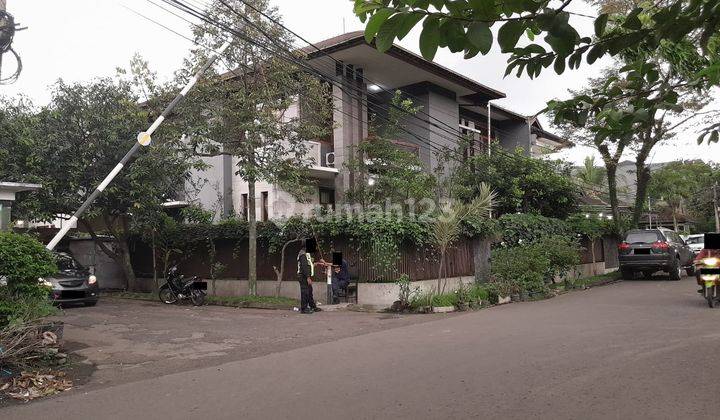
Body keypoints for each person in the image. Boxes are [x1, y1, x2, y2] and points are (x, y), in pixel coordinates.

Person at [297, 243, 322, 314]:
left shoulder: (307, 254)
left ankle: (312, 306)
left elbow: (309, 265)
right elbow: (304, 267)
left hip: (306, 276)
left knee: (309, 291)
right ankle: (304, 309)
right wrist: (308, 277)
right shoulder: (302, 254)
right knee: (305, 292)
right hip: (303, 276)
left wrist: (315, 264)